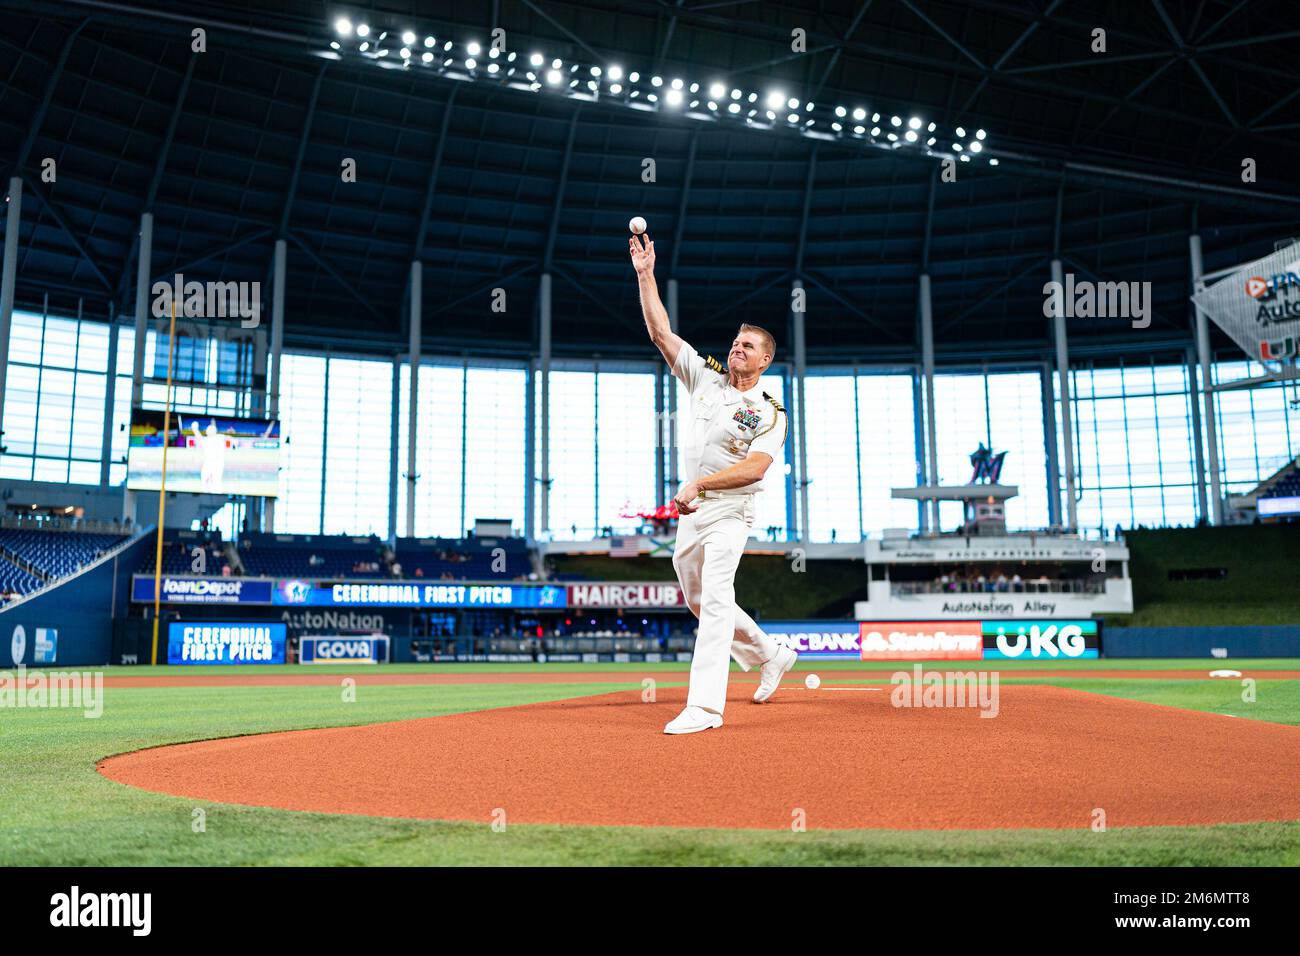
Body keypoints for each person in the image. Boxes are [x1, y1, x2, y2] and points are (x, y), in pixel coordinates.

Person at [630, 231, 796, 736]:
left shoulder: (770, 412)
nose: (736, 348)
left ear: (765, 360)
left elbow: (755, 469)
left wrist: (700, 487)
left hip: (730, 512)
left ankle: (704, 706)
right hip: (694, 512)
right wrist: (645, 274)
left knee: (717, 596)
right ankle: (770, 654)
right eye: (735, 342)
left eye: (747, 346)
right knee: (698, 599)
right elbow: (661, 332)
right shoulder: (706, 376)